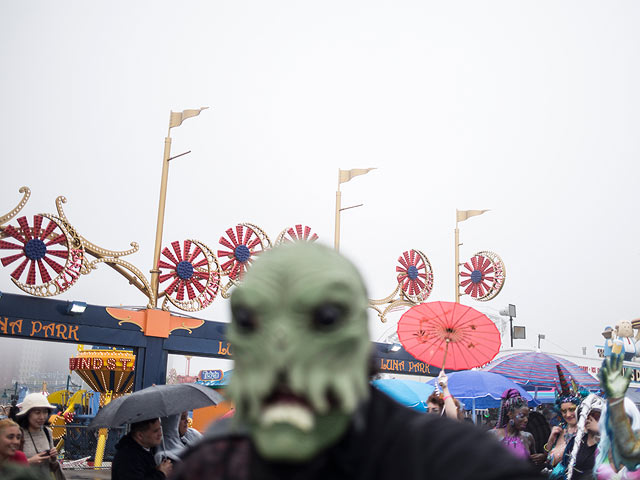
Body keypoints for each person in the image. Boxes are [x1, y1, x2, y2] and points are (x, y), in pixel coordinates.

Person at [171, 243, 543, 480]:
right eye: (252, 320)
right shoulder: (215, 463)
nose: (282, 346)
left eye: (325, 318)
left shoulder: (451, 460)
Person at [548, 394, 603, 480]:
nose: (568, 414)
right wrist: (551, 441)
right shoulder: (574, 440)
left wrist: (600, 430)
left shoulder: (606, 444)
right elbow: (552, 461)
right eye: (586, 414)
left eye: (595, 415)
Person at [15, 393, 64, 479]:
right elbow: (6, 466)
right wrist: (29, 462)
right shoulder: (17, 434)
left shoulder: (47, 432)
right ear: (27, 414)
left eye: (45, 412)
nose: (42, 417)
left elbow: (52, 467)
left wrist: (53, 459)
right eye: (37, 413)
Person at [490, 388, 544, 467]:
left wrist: (541, 459)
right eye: (522, 416)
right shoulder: (493, 435)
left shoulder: (528, 437)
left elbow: (533, 466)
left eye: (527, 416)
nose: (526, 420)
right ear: (510, 414)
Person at [544, 367, 586, 467]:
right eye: (564, 411)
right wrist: (551, 440)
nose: (567, 415)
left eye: (572, 409)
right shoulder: (559, 430)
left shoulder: (586, 432)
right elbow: (548, 460)